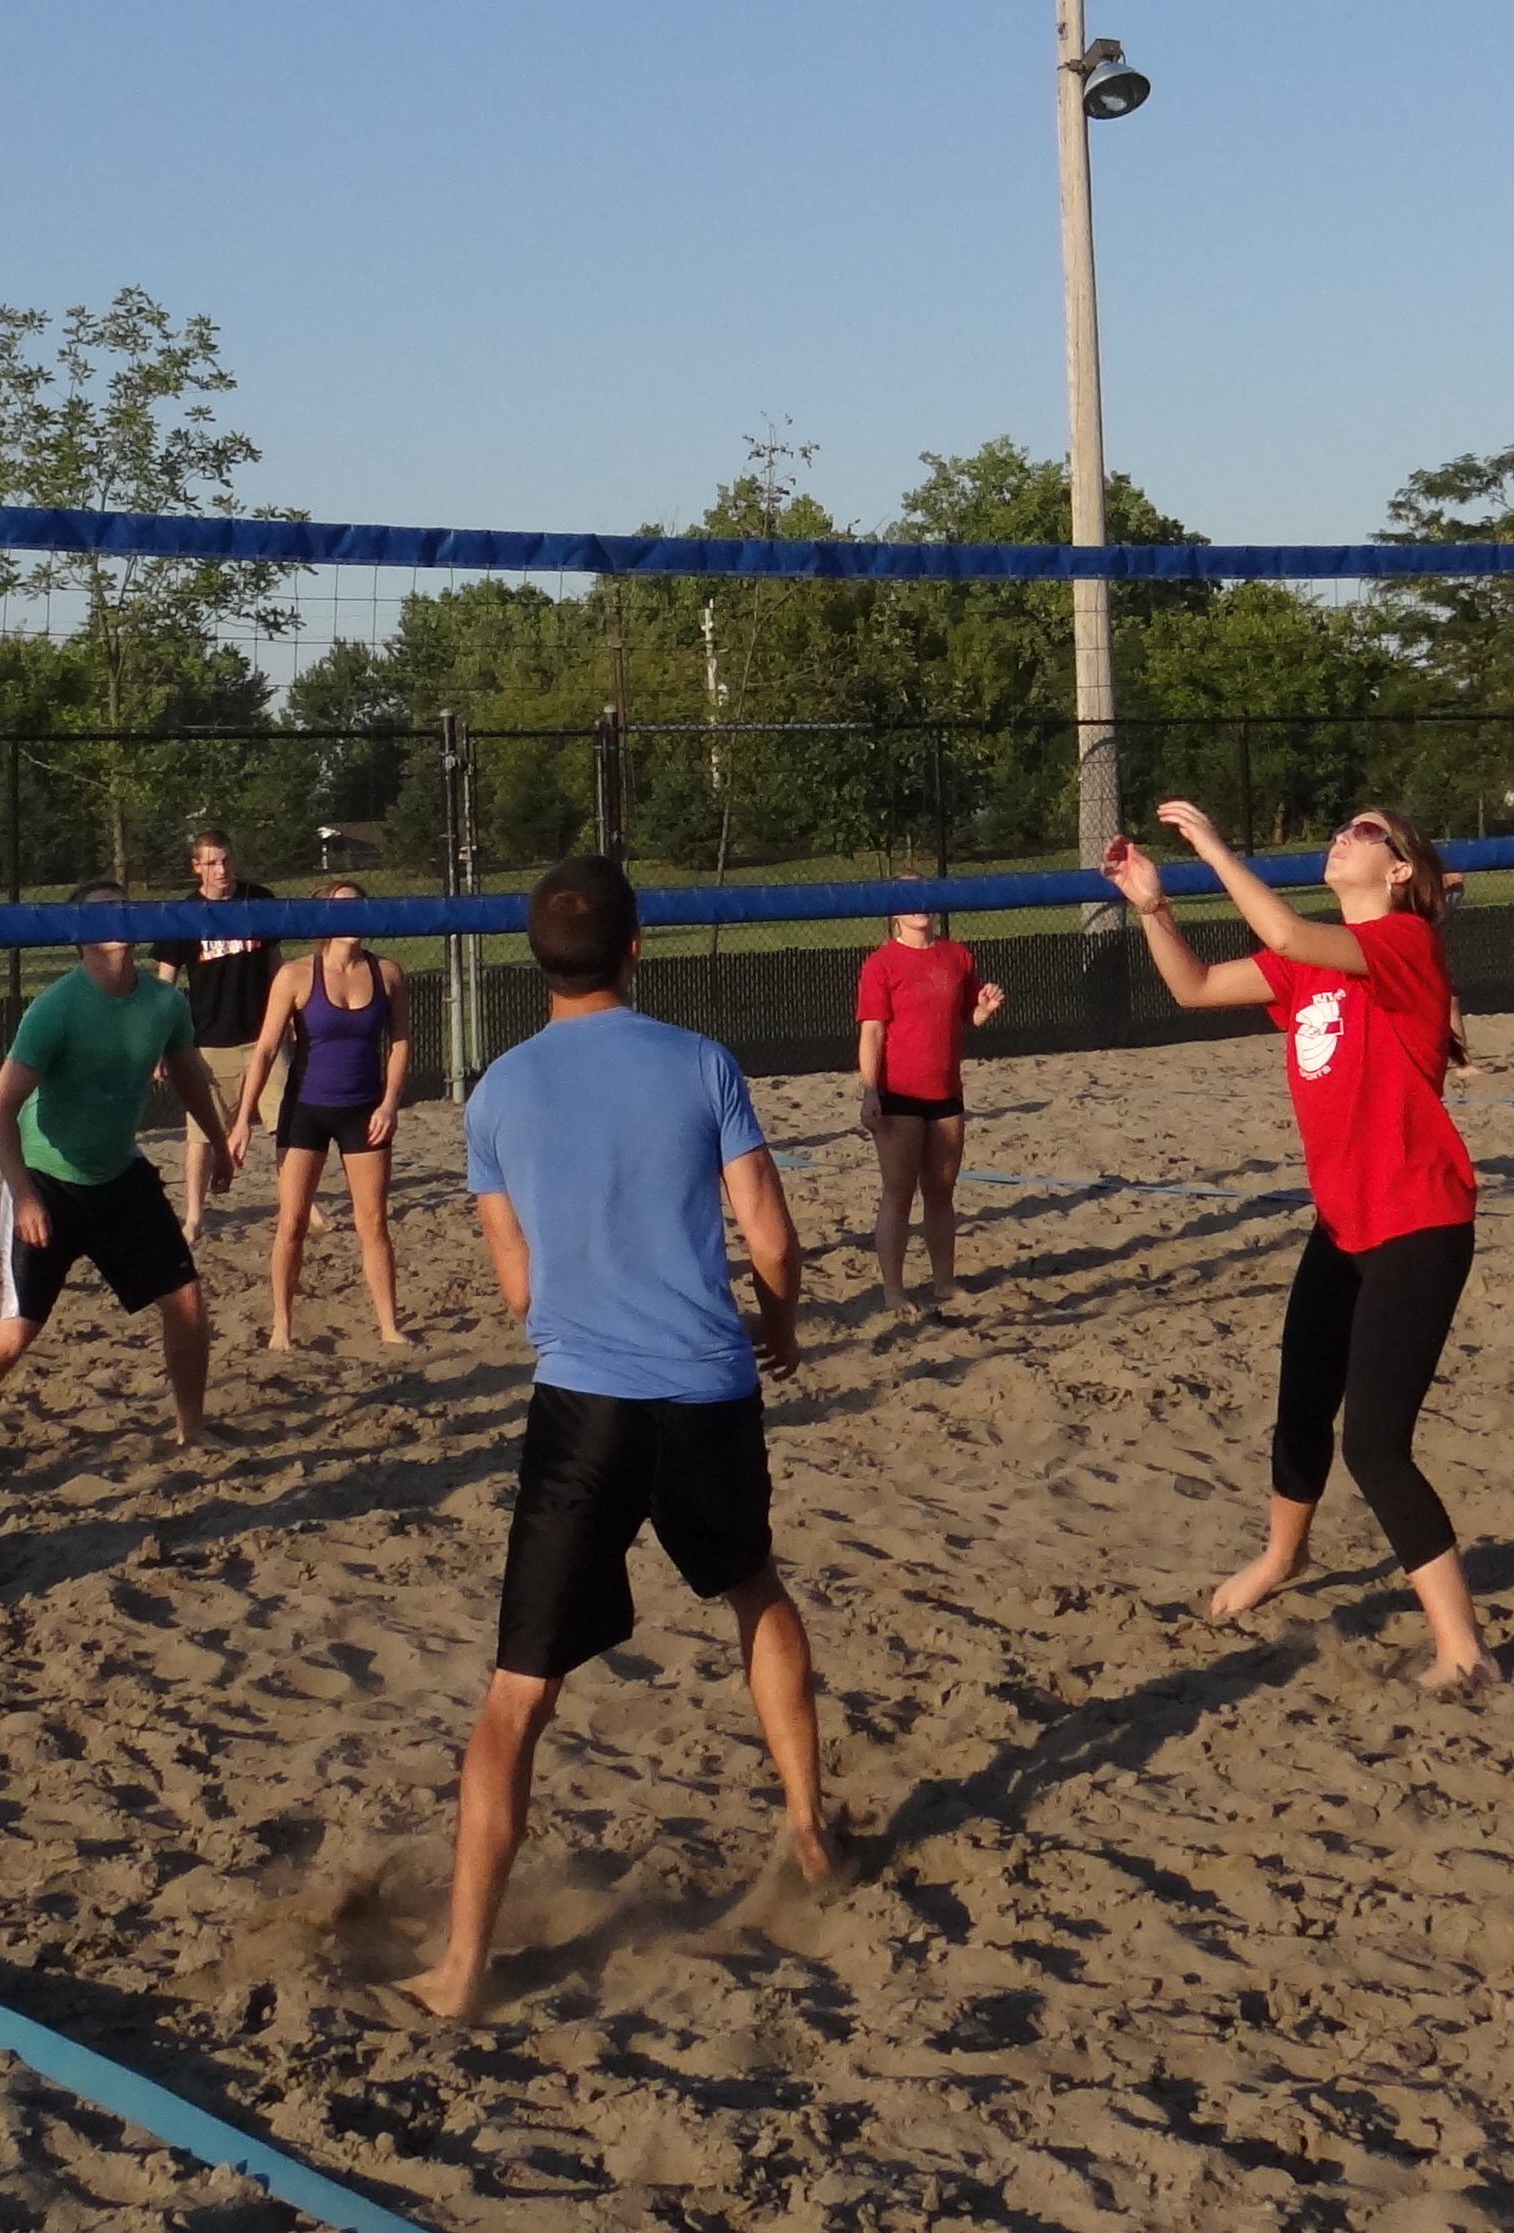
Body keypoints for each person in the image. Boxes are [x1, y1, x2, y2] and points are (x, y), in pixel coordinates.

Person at [396, 857, 843, 2020]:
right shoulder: (700, 1063)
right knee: (755, 1591)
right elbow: (776, 1241)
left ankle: (460, 1968)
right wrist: (778, 1324)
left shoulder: (496, 1093)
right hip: (705, 1391)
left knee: (514, 1700)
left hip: (582, 1405)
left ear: (531, 960)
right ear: (636, 948)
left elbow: (516, 1290)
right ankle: (807, 1829)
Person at [1102, 796, 1499, 1695]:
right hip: (1344, 1223)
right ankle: (1285, 1555)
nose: (1343, 836)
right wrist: (1154, 909)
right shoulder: (1307, 969)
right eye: (1345, 826)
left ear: (1399, 871)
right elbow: (1194, 988)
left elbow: (1281, 927)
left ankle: (1465, 1650)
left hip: (1419, 1223)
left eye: (1365, 831)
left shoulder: (1404, 945)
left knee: (1377, 1447)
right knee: (1299, 1400)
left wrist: (1209, 841)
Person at [0, 891, 237, 1458]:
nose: (117, 924)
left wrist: (220, 1144)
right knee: (19, 1329)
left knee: (187, 1301)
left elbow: (189, 1078)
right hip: (46, 1179)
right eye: (102, 915)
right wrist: (25, 1197)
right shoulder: (56, 1008)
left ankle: (191, 1427)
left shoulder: (163, 1003)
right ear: (79, 936)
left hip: (119, 1176)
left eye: (124, 911)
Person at [238, 882, 413, 1351]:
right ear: (324, 919)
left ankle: (389, 1326)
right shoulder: (296, 976)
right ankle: (282, 1326)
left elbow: (399, 1043)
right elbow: (266, 1050)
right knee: (292, 1221)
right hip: (306, 1110)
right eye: (343, 906)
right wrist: (241, 1120)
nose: (354, 914)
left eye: (361, 904)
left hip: (364, 1109)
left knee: (373, 1222)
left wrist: (390, 1102)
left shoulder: (388, 972)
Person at [854, 890, 1005, 1319]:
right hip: (898, 1093)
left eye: (924, 897)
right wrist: (870, 1092)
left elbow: (967, 1015)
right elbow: (872, 1033)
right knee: (898, 1192)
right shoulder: (882, 963)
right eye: (907, 898)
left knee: (941, 1192)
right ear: (894, 910)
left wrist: (983, 1009)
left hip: (946, 1091)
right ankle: (894, 1290)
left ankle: (944, 1282)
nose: (918, 906)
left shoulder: (955, 955)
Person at [163, 829, 282, 1232]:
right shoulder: (184, 915)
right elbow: (165, 981)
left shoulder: (258, 901)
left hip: (263, 1035)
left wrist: (289, 1021)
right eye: (212, 862)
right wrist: (163, 1042)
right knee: (200, 1135)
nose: (221, 870)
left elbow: (276, 965)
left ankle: (300, 1201)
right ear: (196, 867)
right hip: (209, 1040)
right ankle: (195, 1213)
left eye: (227, 860)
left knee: (286, 1123)